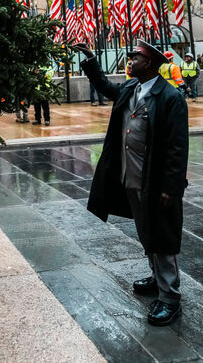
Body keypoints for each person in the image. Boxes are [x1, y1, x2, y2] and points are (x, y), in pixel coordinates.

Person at [73, 39, 189, 327]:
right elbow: (103, 86)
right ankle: (156, 278)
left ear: (148, 63)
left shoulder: (170, 97)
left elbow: (178, 149)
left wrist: (171, 189)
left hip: (156, 183)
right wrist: (89, 58)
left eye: (134, 57)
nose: (130, 61)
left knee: (164, 239)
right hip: (130, 178)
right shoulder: (129, 88)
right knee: (146, 232)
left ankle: (170, 299)